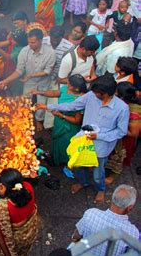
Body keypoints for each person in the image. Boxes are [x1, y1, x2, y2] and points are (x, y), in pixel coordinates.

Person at [37, 75, 129, 203]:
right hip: (83, 140)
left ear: (107, 94)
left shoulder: (122, 108)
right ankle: (83, 183)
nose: (94, 95)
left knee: (98, 173)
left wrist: (99, 136)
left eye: (98, 93)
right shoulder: (91, 96)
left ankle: (100, 189)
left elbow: (121, 131)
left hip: (101, 146)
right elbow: (72, 106)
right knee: (79, 166)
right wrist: (48, 107)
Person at [0, 29, 56, 130]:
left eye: (33, 42)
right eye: (29, 42)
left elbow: (47, 71)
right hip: (29, 83)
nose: (30, 44)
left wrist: (31, 75)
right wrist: (5, 81)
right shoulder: (24, 51)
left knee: (41, 106)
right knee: (25, 102)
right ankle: (26, 122)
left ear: (41, 40)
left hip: (44, 82)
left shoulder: (50, 52)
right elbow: (19, 71)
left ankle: (38, 120)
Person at [0, 168, 39, 256]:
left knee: (17, 252)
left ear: (3, 186)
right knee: (23, 253)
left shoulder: (2, 208)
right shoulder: (28, 187)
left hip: (17, 239)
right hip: (30, 233)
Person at [34, 74, 87, 166]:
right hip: (59, 121)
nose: (67, 84)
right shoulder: (66, 89)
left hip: (69, 128)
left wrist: (61, 115)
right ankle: (56, 158)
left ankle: (67, 164)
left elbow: (77, 120)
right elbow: (55, 93)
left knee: (65, 145)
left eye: (69, 83)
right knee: (56, 141)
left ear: (76, 89)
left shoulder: (80, 101)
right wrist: (39, 92)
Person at [72, 184, 138, 256]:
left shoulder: (90, 214)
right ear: (129, 208)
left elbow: (76, 235)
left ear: (112, 198)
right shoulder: (133, 233)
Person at [105, 82, 140, 182]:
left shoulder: (134, 113)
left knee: (119, 157)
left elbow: (134, 133)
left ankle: (113, 175)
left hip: (125, 140)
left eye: (116, 92)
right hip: (117, 135)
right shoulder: (122, 103)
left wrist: (119, 128)